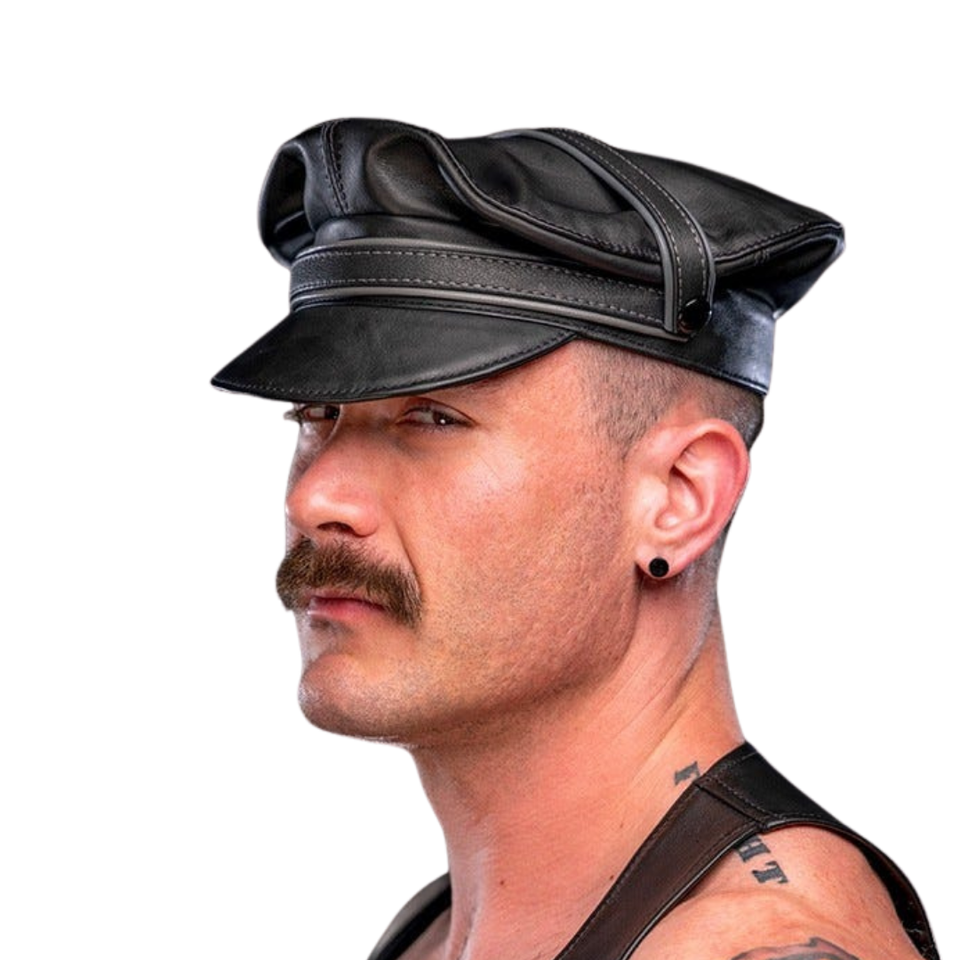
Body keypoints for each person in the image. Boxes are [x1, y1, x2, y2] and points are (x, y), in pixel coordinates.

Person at [213, 119, 938, 960]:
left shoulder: (760, 947)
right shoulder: (437, 930)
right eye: (318, 415)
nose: (314, 496)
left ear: (677, 497)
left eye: (434, 418)